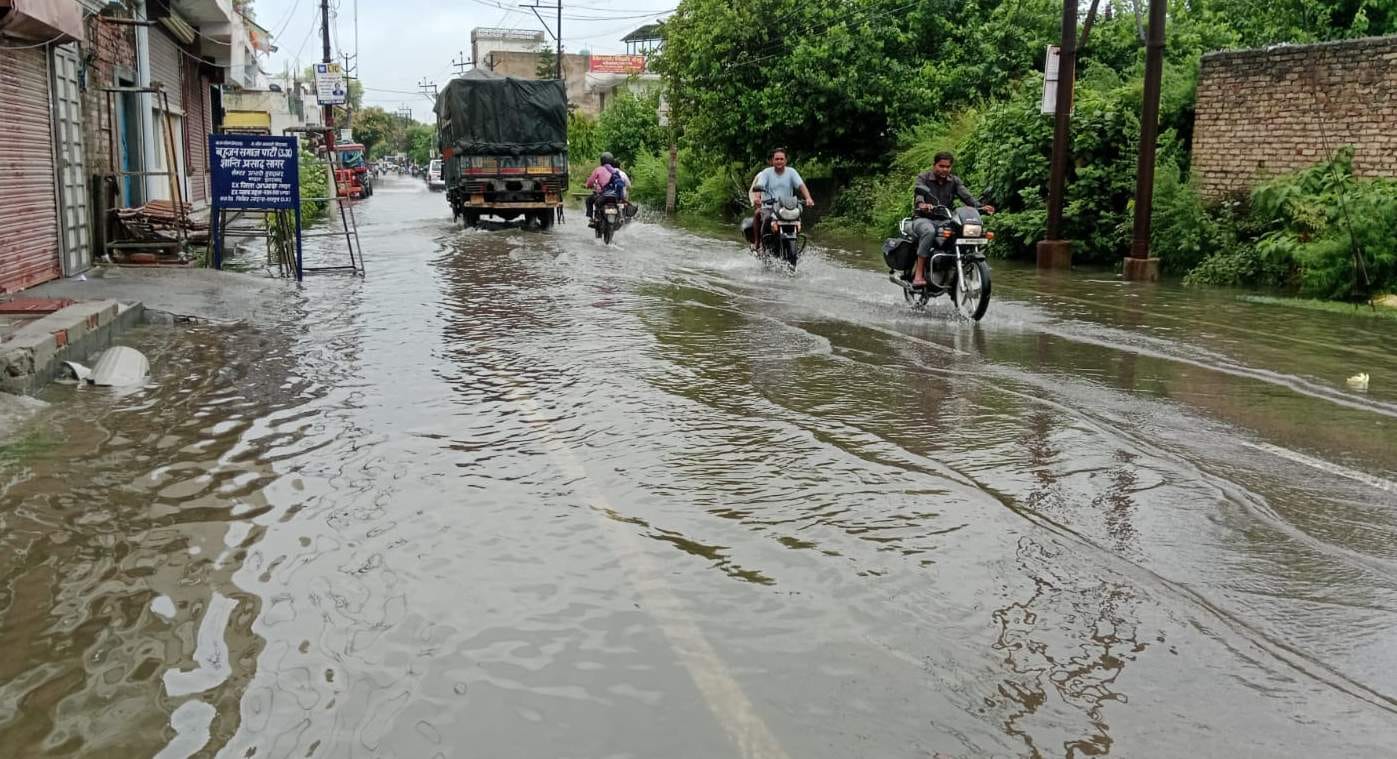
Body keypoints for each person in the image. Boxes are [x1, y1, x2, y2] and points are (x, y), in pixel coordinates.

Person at [908, 151, 994, 288]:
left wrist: (981, 207)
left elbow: (967, 197)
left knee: (961, 231)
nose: (944, 169)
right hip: (923, 219)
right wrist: (922, 205)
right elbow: (919, 195)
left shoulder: (954, 181)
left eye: (947, 167)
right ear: (934, 165)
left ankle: (954, 270)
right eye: (941, 166)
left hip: (945, 220)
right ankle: (918, 275)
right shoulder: (923, 178)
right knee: (929, 232)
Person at [748, 148, 815, 251]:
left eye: (781, 159)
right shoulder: (766, 173)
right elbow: (759, 185)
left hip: (788, 207)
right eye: (777, 159)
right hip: (769, 207)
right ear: (772, 160)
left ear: (785, 160)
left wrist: (808, 198)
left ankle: (794, 244)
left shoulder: (792, 172)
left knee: (797, 219)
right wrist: (757, 197)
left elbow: (801, 185)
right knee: (762, 217)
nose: (779, 161)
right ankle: (759, 243)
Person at [585, 152, 627, 226]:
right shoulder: (615, 171)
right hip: (615, 197)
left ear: (602, 160)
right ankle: (620, 217)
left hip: (603, 195)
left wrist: (588, 185)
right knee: (620, 205)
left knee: (589, 200)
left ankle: (593, 219)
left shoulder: (598, 169)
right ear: (612, 161)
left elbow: (590, 182)